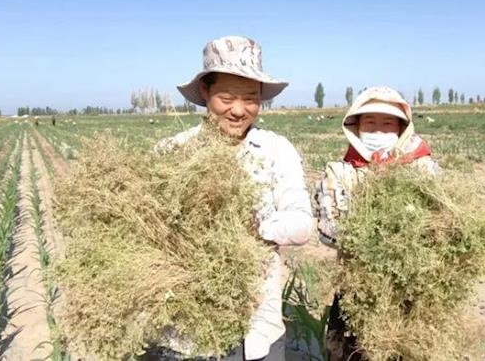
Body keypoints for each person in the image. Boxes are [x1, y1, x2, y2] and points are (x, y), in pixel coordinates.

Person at [149, 36, 313, 361]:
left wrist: (255, 225)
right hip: (185, 333)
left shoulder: (276, 151)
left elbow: (302, 225)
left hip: (257, 334)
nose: (239, 110)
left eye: (251, 98)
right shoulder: (171, 153)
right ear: (205, 94)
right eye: (226, 97)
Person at [315, 86, 440, 361]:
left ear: (401, 129)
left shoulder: (422, 168)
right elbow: (327, 230)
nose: (379, 133)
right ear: (355, 127)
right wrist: (377, 236)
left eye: (387, 125)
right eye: (370, 124)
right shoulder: (339, 172)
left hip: (410, 288)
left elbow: (440, 222)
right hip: (356, 288)